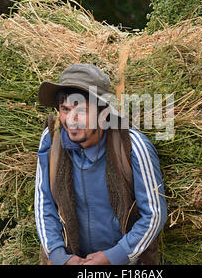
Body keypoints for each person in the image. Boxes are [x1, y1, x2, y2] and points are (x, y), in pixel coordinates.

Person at [35, 63, 167, 265]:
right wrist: (60, 256)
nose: (71, 120)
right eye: (65, 109)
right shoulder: (52, 142)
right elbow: (44, 206)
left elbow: (154, 214)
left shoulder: (133, 147)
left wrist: (113, 257)